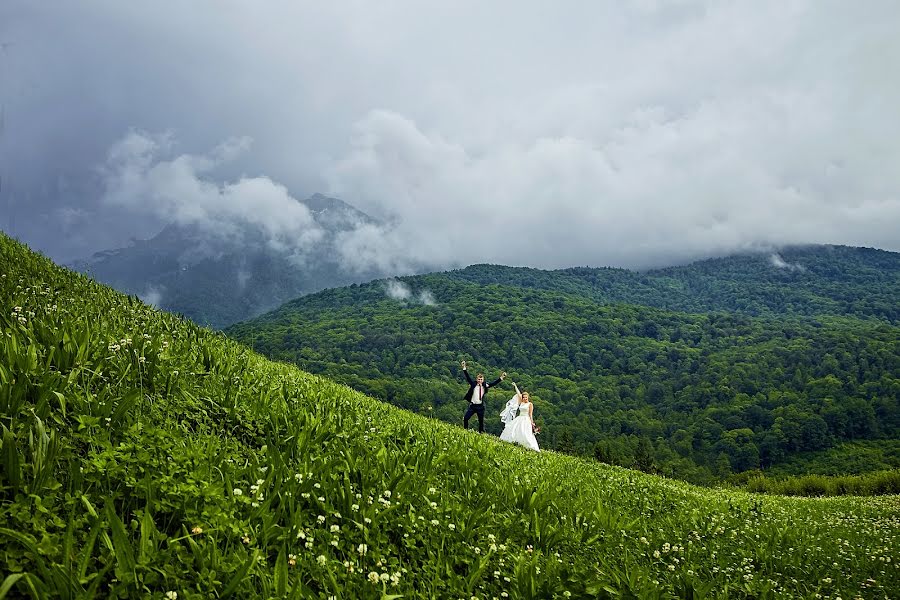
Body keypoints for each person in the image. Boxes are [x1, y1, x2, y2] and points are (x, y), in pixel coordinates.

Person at [461, 360, 506, 433]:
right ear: (477, 379)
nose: (480, 380)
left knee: (481, 421)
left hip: (480, 406)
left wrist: (501, 378)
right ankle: (465, 430)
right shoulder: (473, 384)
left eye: (481, 379)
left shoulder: (485, 386)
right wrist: (464, 368)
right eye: (479, 379)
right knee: (466, 418)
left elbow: (493, 384)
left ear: (483, 380)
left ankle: (481, 433)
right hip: (472, 405)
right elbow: (468, 377)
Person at [499, 382, 540, 452]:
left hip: (526, 419)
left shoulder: (530, 404)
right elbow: (518, 393)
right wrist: (515, 386)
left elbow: (530, 414)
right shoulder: (521, 402)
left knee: (525, 432)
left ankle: (527, 445)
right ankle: (515, 442)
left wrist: (532, 422)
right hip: (520, 418)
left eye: (526, 397)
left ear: (528, 397)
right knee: (515, 429)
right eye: (524, 397)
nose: (525, 399)